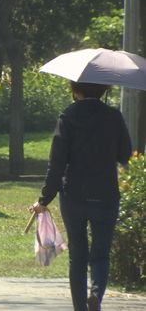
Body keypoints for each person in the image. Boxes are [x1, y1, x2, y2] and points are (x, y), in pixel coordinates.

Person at [31, 81, 131, 311]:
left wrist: (45, 199)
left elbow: (56, 163)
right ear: (104, 89)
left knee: (78, 255)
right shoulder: (113, 116)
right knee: (101, 254)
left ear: (76, 89)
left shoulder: (68, 116)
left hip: (74, 195)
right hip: (106, 195)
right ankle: (96, 294)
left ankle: (80, 307)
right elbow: (125, 154)